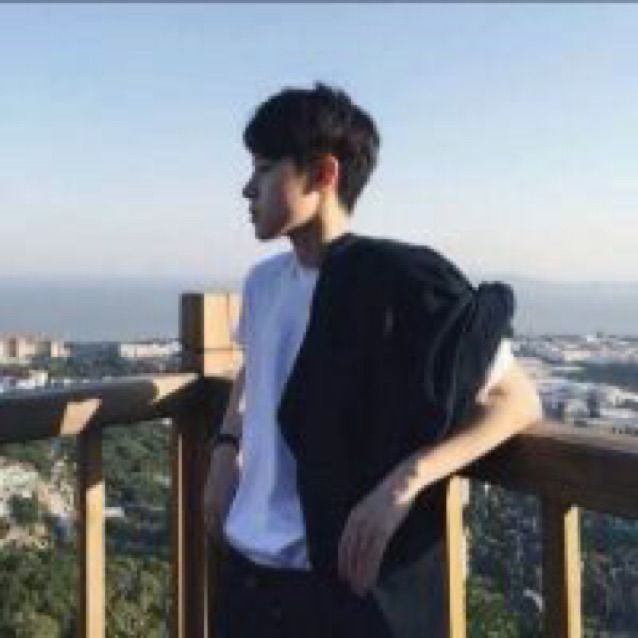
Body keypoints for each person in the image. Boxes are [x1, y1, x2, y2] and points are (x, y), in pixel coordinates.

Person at [203, 83, 542, 637]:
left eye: (264, 169)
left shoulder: (399, 283)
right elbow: (257, 366)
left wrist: (404, 484)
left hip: (334, 586)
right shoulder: (263, 283)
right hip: (248, 576)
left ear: (323, 174)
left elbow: (519, 402)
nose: (247, 188)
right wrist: (226, 446)